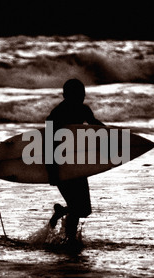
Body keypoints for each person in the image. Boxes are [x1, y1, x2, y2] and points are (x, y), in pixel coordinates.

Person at [46, 79, 105, 243]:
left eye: (82, 94)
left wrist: (113, 135)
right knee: (77, 206)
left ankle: (61, 215)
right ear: (66, 96)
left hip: (77, 165)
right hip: (60, 165)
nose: (81, 98)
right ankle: (70, 240)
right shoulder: (57, 114)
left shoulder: (83, 110)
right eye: (77, 94)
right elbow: (49, 143)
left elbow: (95, 125)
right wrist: (52, 171)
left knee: (84, 209)